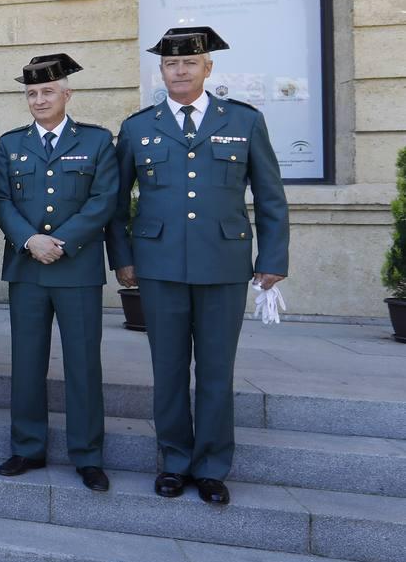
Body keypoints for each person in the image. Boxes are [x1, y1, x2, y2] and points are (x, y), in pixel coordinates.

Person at [108, 27, 289, 506]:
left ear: (208, 68)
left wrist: (273, 258)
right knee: (167, 370)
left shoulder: (245, 121)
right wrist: (122, 258)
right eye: (171, 64)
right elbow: (116, 202)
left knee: (215, 371)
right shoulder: (138, 127)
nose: (180, 70)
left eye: (190, 63)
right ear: (161, 71)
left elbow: (270, 196)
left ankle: (211, 466)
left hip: (224, 264)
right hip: (159, 264)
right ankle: (174, 461)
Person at [0, 54, 116, 492]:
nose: (39, 99)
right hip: (26, 268)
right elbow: (1, 200)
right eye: (31, 93)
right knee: (26, 363)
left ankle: (88, 455)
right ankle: (27, 447)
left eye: (47, 91)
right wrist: (30, 240)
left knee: (83, 364)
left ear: (67, 94)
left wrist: (60, 241)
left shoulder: (97, 142)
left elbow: (103, 200)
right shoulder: (10, 144)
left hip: (77, 268)